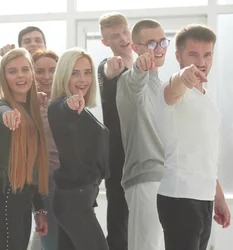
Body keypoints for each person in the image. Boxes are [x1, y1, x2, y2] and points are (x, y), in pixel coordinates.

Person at [155, 24, 231, 250]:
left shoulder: (205, 98)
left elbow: (204, 152)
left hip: (203, 198)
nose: (202, 62)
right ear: (178, 56)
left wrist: (218, 196)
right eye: (193, 54)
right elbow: (174, 88)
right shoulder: (170, 89)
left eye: (207, 54)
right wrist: (182, 76)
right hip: (180, 198)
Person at [0, 48, 49, 250]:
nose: (20, 75)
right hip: (4, 198)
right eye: (12, 71)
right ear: (4, 77)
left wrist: (39, 209)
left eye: (24, 69)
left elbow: (33, 165)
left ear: (32, 73)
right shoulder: (0, 106)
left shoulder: (33, 111)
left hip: (23, 200)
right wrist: (8, 116)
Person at [48, 48, 109, 250]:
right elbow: (63, 107)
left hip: (79, 198)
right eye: (75, 73)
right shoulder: (59, 106)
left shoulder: (85, 113)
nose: (82, 79)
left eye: (87, 72)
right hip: (73, 200)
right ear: (64, 75)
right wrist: (71, 103)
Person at [116, 19, 168, 250]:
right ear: (135, 47)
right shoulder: (128, 80)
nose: (159, 48)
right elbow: (136, 80)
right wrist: (139, 67)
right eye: (151, 43)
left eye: (162, 41)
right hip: (145, 179)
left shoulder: (165, 87)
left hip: (170, 180)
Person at [96, 12, 133, 250]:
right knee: (119, 222)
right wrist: (112, 70)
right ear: (105, 42)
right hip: (118, 156)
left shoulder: (144, 64)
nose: (122, 39)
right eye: (114, 36)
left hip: (143, 152)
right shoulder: (106, 67)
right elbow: (107, 72)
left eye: (125, 32)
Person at [29, 50, 60, 250]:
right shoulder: (29, 109)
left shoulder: (68, 102)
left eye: (52, 71)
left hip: (72, 186)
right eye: (39, 71)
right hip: (46, 184)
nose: (47, 77)